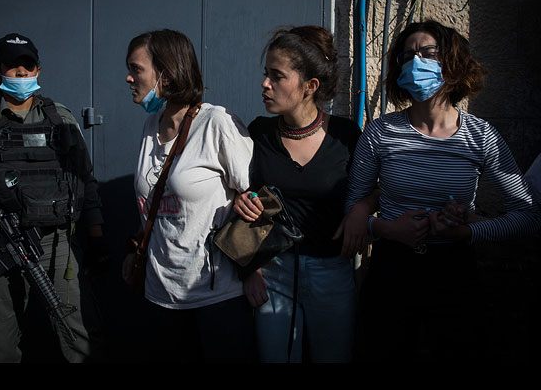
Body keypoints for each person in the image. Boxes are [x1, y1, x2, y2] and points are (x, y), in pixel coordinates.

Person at [342, 19, 541, 362]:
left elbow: (528, 216)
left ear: (453, 63)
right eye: (407, 56)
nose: (415, 62)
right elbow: (353, 209)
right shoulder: (379, 133)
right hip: (391, 271)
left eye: (428, 53)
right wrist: (387, 228)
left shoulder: (480, 136)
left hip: (455, 272)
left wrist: (467, 231)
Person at [0, 33, 107, 363]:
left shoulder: (60, 119)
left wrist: (96, 236)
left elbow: (85, 180)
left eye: (28, 67)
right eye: (13, 68)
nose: (21, 74)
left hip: (55, 247)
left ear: (38, 70)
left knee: (81, 337)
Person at [232, 25, 370, 363]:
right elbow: (242, 197)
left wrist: (363, 208)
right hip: (273, 273)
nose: (265, 84)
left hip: (332, 273)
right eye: (266, 74)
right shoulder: (258, 133)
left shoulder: (346, 135)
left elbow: (377, 187)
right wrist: (249, 268)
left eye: (277, 76)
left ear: (310, 86)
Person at [121, 29, 256, 363]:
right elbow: (155, 200)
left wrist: (257, 269)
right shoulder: (151, 125)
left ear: (166, 74)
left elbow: (256, 196)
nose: (128, 77)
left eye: (136, 69)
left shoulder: (216, 123)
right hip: (159, 293)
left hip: (215, 296)